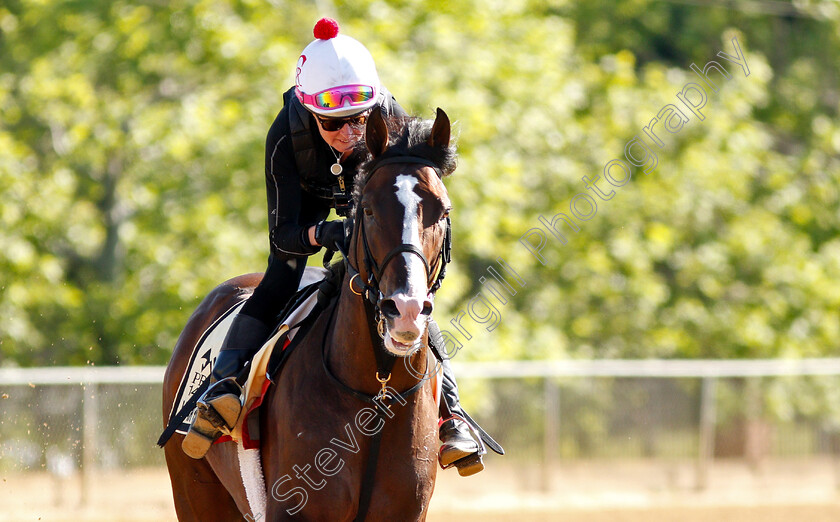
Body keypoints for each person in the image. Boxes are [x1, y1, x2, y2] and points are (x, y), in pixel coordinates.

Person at [182, 17, 483, 475]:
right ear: (309, 111)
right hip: (306, 217)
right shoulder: (284, 138)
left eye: (361, 120)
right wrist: (322, 233)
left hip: (374, 213)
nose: (349, 135)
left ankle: (452, 415)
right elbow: (284, 236)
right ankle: (225, 381)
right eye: (333, 123)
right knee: (280, 279)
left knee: (410, 297)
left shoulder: (391, 119)